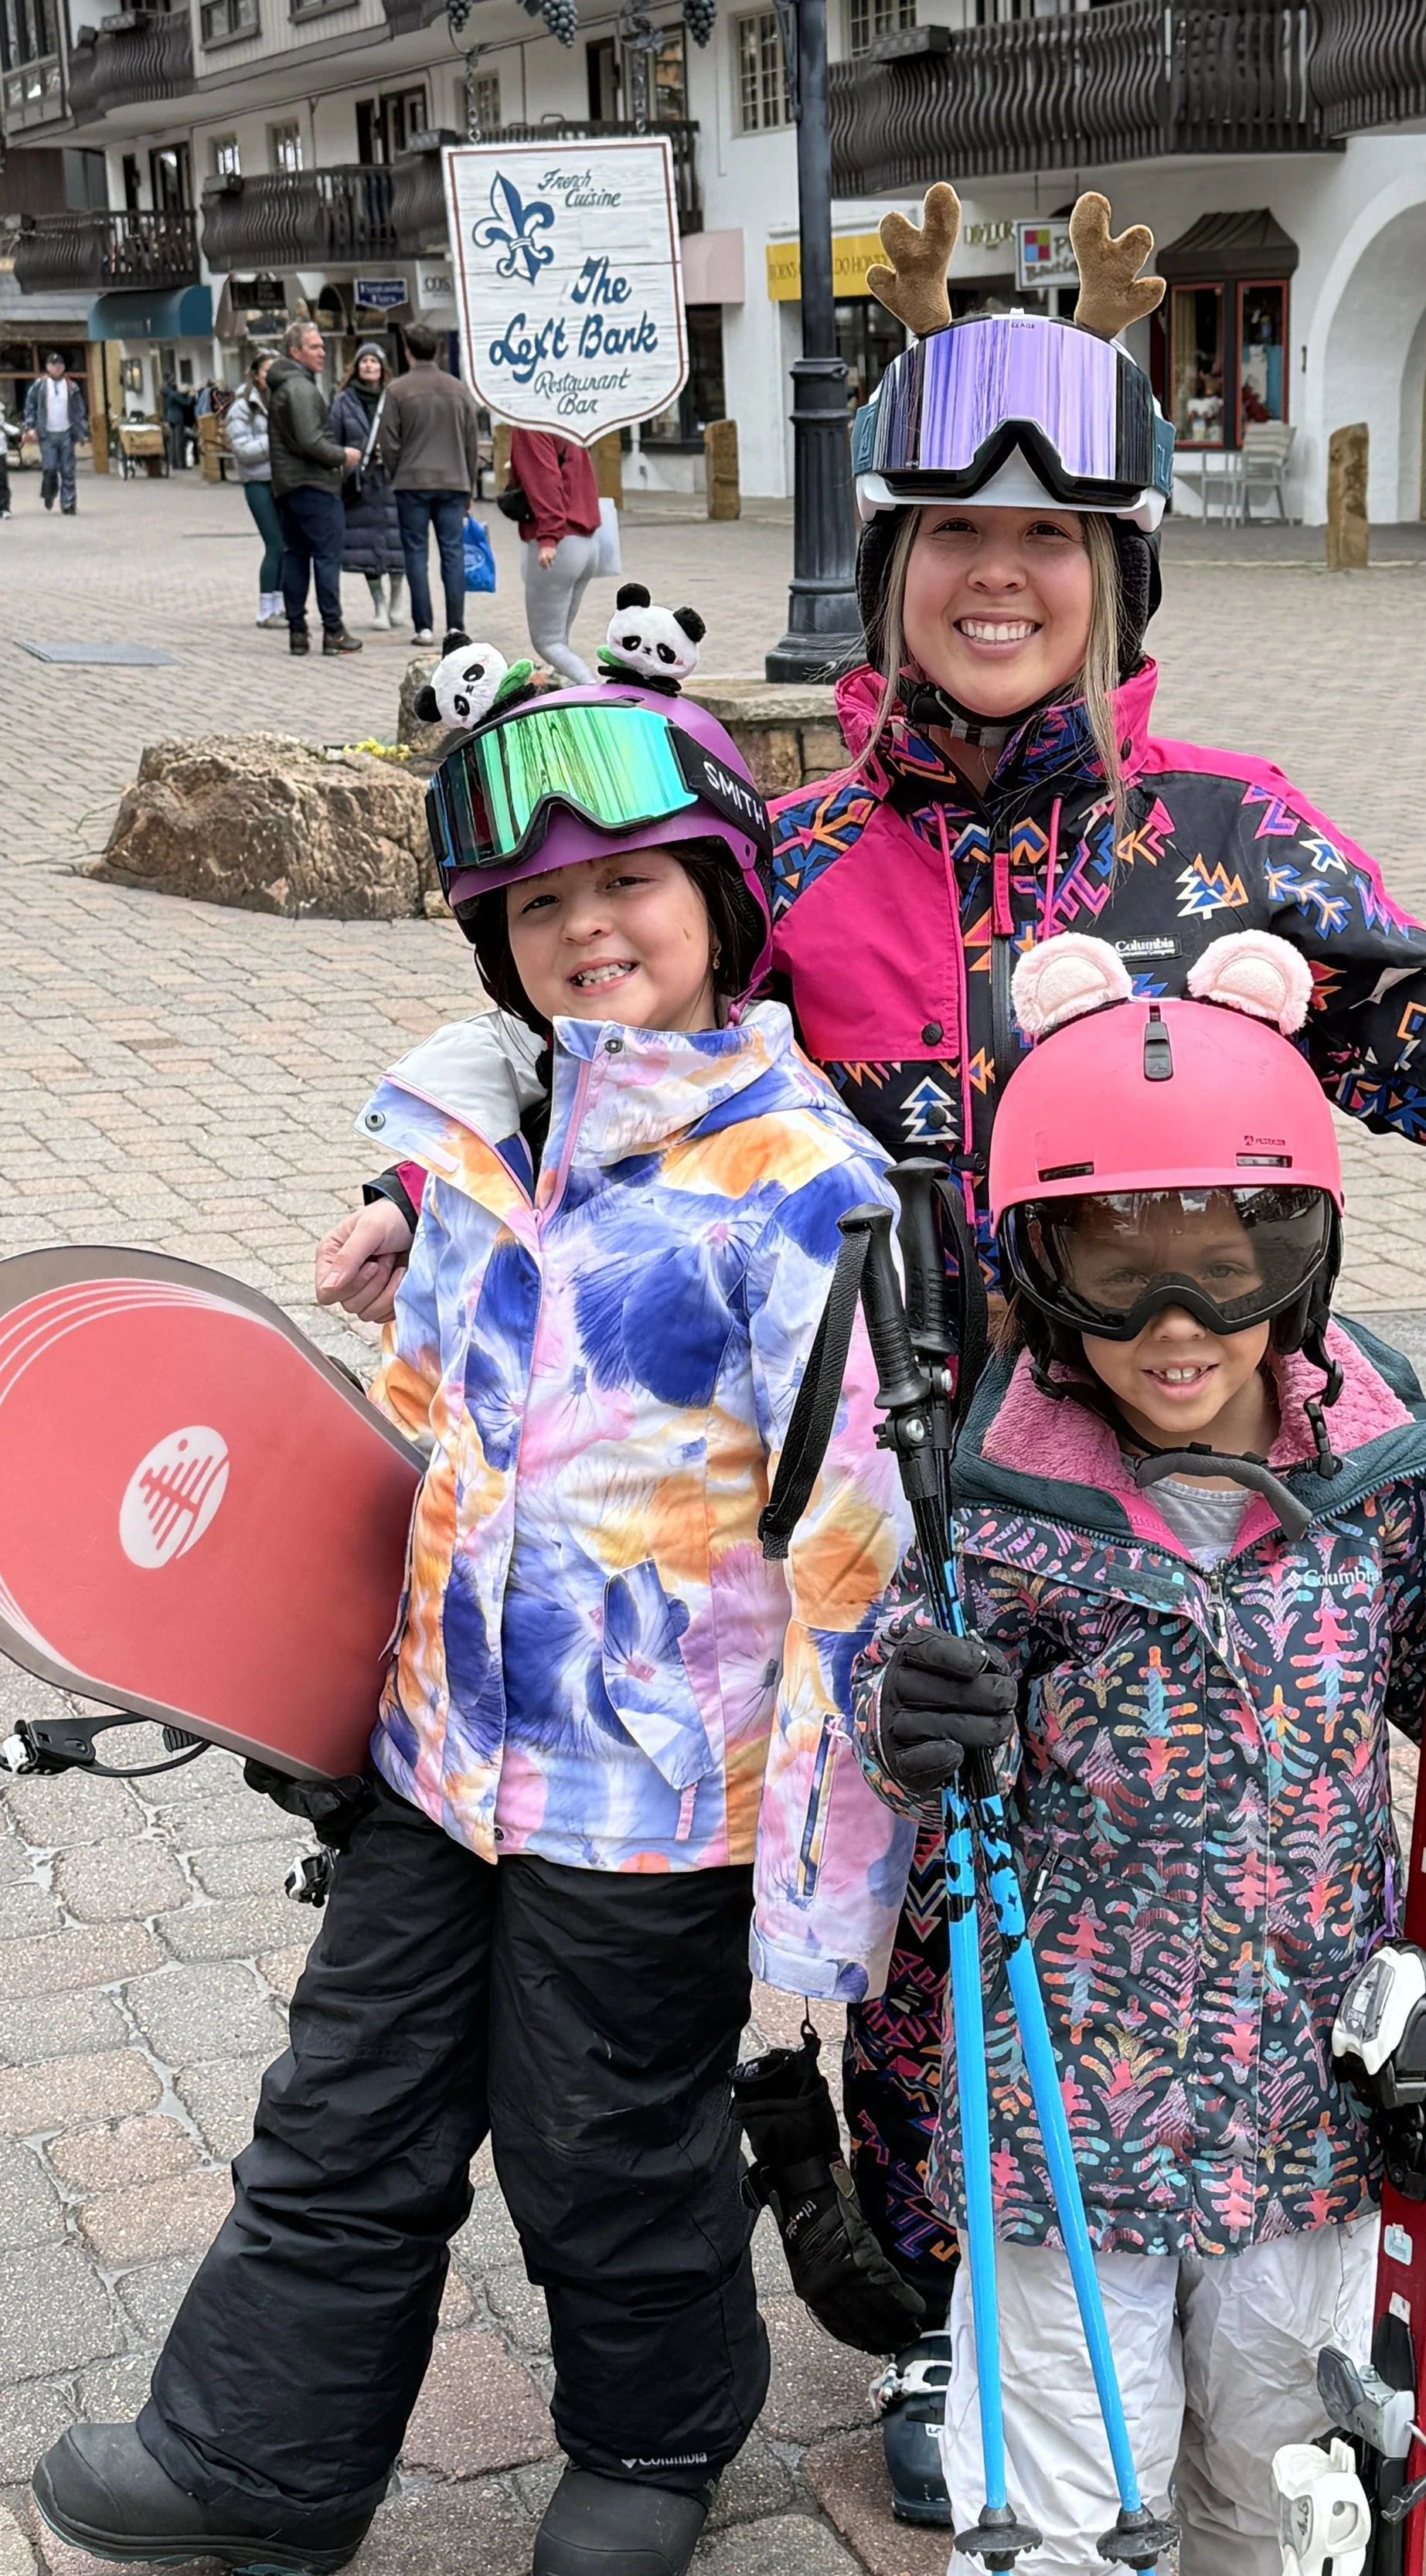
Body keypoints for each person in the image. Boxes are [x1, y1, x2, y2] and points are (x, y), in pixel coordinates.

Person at [311, 181, 1426, 2526]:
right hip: (895, 1488)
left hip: (1182, 1456)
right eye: (950, 534)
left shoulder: (1221, 830)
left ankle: (1265, 2296)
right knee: (934, 1934)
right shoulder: (806, 840)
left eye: (1050, 545)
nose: (996, 576)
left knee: (1202, 1873)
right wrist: (427, 1171)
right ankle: (973, 2326)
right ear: (888, 575)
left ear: (1115, 584)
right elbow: (615, 1042)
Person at [30, 675, 916, 2576]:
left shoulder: (800, 1188)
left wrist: (826, 1900)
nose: (589, 928)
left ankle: (652, 2446)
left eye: (633, 886)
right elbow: (421, 1442)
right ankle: (252, 2457)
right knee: (346, 2102)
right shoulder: (475, 1147)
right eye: (538, 907)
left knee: (612, 2141)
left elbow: (856, 1556)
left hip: (652, 1798)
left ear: (723, 896)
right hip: (436, 1763)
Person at [849, 924, 1426, 2574]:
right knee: (1061, 2484)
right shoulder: (992, 1496)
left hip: (1311, 2100)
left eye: (1230, 1258)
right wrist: (904, 1711)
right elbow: (894, 1683)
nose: (1172, 1322)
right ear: (1037, 1272)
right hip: (1059, 2094)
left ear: (1304, 1257)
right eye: (1110, 1264)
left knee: (1275, 2476)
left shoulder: (1379, 1480)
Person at [267, 319, 363, 658]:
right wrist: (342, 456)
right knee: (325, 558)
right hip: (315, 484)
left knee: (296, 557)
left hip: (289, 485)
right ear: (295, 352)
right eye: (314, 346)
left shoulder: (284, 385)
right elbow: (310, 439)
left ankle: (297, 631)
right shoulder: (300, 388)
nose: (322, 352)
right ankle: (333, 631)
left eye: (322, 346)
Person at [379, 321, 479, 646]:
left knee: (415, 554)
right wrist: (470, 484)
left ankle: (423, 627)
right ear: (437, 350)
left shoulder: (396, 390)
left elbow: (389, 443)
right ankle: (455, 627)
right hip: (453, 481)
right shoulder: (458, 389)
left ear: (408, 353)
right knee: (452, 552)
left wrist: (397, 475)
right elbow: (470, 441)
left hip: (411, 482)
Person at [511, 426, 603, 684]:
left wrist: (549, 536)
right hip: (587, 541)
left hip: (559, 544)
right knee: (560, 640)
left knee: (548, 642)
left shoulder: (531, 423)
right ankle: (571, 698)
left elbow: (544, 479)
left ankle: (593, 694)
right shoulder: (568, 421)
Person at [328, 342, 406, 629]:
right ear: (356, 367)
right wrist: (346, 459)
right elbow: (334, 439)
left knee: (398, 545)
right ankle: (379, 604)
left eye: (374, 361)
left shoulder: (395, 396)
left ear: (382, 367)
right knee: (366, 548)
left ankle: (398, 597)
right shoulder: (343, 401)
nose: (369, 366)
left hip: (392, 479)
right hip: (360, 482)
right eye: (364, 361)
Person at [223, 352, 283, 627]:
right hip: (257, 481)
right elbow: (243, 449)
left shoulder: (282, 400)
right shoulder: (243, 405)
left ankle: (280, 605)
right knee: (274, 544)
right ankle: (265, 610)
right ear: (256, 374)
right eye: (267, 371)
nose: (272, 376)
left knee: (287, 546)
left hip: (282, 480)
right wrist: (276, 442)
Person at [24, 352, 87, 516]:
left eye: (59, 365)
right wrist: (30, 426)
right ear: (48, 367)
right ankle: (49, 493)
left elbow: (79, 411)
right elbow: (30, 405)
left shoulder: (71, 386)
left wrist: (81, 433)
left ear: (63, 367)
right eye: (53, 365)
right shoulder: (40, 385)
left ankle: (68, 503)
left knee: (68, 470)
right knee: (50, 469)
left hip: (66, 432)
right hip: (47, 433)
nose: (57, 368)